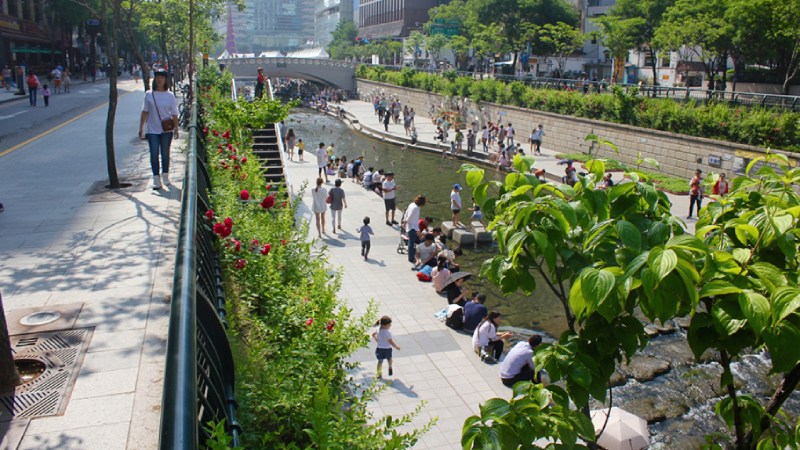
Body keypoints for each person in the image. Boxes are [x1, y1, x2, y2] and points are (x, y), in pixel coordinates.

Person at [139, 69, 179, 190]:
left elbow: (174, 113)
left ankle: (165, 176)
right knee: (154, 153)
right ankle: (156, 178)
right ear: (154, 79)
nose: (159, 80)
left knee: (165, 153)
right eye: (157, 78)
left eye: (162, 78)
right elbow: (145, 112)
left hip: (166, 130)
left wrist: (176, 129)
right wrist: (141, 128)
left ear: (166, 80)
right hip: (152, 130)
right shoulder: (149, 94)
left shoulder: (170, 95)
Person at [402, 195, 426, 263]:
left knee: (412, 241)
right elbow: (410, 217)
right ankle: (411, 257)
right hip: (412, 226)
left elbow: (407, 213)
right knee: (411, 242)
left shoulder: (412, 204)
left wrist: (404, 221)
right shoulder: (416, 208)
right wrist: (406, 222)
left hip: (411, 225)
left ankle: (412, 254)